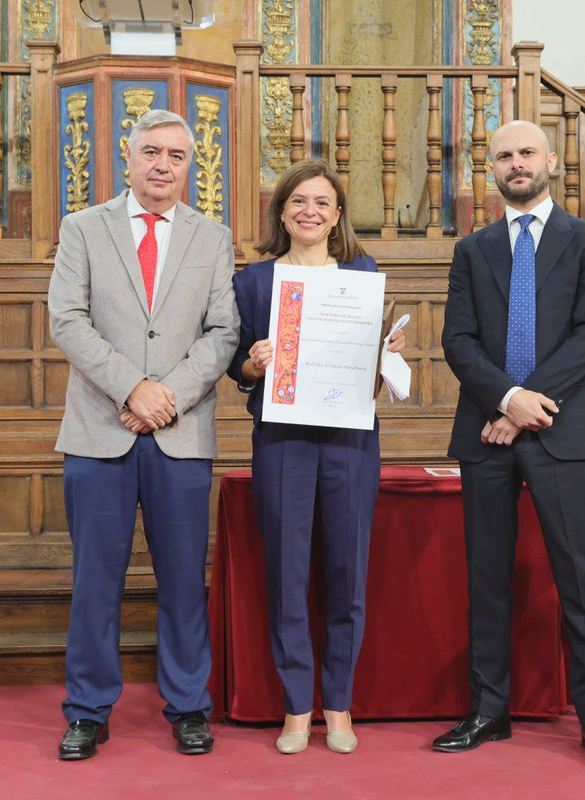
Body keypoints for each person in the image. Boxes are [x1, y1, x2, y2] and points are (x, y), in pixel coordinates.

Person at [433, 120, 585, 769]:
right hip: (486, 434)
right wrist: (504, 399)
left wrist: (521, 405)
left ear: (550, 163)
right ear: (491, 169)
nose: (516, 163)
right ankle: (489, 711)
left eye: (526, 153)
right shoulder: (473, 249)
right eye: (504, 156)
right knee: (486, 580)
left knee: (581, 581)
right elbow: (457, 340)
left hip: (561, 431)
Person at [47, 109, 239, 760]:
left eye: (176, 156)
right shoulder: (83, 229)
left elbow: (224, 334)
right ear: (126, 158)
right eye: (151, 152)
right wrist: (132, 387)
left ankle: (188, 705)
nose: (162, 165)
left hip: (179, 435)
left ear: (191, 167)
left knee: (185, 580)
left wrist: (167, 398)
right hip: (100, 430)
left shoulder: (213, 238)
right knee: (94, 581)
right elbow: (67, 320)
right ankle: (87, 710)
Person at [228, 158, 405, 755]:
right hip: (282, 438)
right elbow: (238, 368)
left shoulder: (362, 273)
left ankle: (340, 705)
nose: (310, 211)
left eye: (322, 202)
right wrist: (253, 363)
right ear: (283, 211)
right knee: (287, 571)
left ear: (336, 216)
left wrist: (384, 352)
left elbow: (371, 376)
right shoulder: (253, 282)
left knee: (346, 572)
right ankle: (296, 707)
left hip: (349, 439)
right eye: (299, 200)